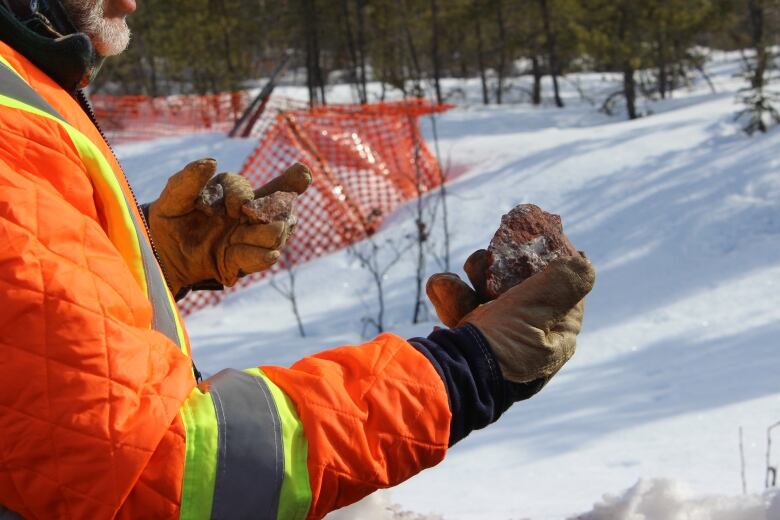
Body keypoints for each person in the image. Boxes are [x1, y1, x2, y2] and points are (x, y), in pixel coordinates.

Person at [0, 1, 596, 519]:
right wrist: (465, 371)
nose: (129, 3)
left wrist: (152, 259)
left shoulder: (27, 87)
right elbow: (164, 476)